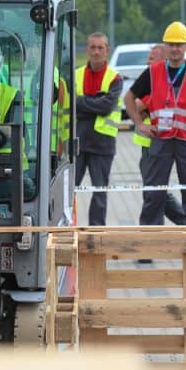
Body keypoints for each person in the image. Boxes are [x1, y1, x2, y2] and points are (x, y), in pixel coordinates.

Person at [125, 21, 186, 226]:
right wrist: (139, 124)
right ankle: (151, 242)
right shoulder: (153, 72)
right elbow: (129, 97)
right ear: (165, 46)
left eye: (179, 44)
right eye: (170, 44)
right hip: (160, 140)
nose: (174, 49)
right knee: (154, 193)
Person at [133, 44, 186, 227]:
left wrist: (142, 108)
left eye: (152, 58)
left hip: (158, 146)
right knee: (154, 194)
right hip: (147, 145)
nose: (147, 62)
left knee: (154, 194)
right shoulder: (150, 80)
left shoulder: (162, 82)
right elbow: (133, 105)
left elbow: (139, 106)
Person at [74, 32, 122, 226]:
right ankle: (68, 227)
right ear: (87, 49)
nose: (96, 52)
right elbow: (72, 103)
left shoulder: (114, 78)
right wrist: (95, 103)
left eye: (100, 48)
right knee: (69, 191)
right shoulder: (76, 74)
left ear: (107, 50)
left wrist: (83, 104)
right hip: (77, 142)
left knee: (100, 193)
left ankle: (96, 232)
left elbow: (106, 107)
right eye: (92, 47)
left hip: (102, 145)